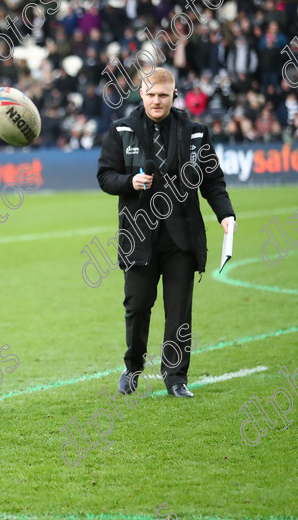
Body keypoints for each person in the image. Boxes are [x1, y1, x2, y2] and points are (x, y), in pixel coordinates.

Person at [96, 67, 236, 399]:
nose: (157, 100)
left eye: (163, 95)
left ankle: (176, 378)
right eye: (151, 94)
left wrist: (225, 214)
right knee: (137, 305)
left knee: (179, 310)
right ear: (140, 94)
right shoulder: (120, 130)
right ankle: (132, 369)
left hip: (181, 237)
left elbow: (212, 181)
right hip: (139, 236)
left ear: (174, 95)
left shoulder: (196, 132)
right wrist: (129, 182)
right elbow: (104, 176)